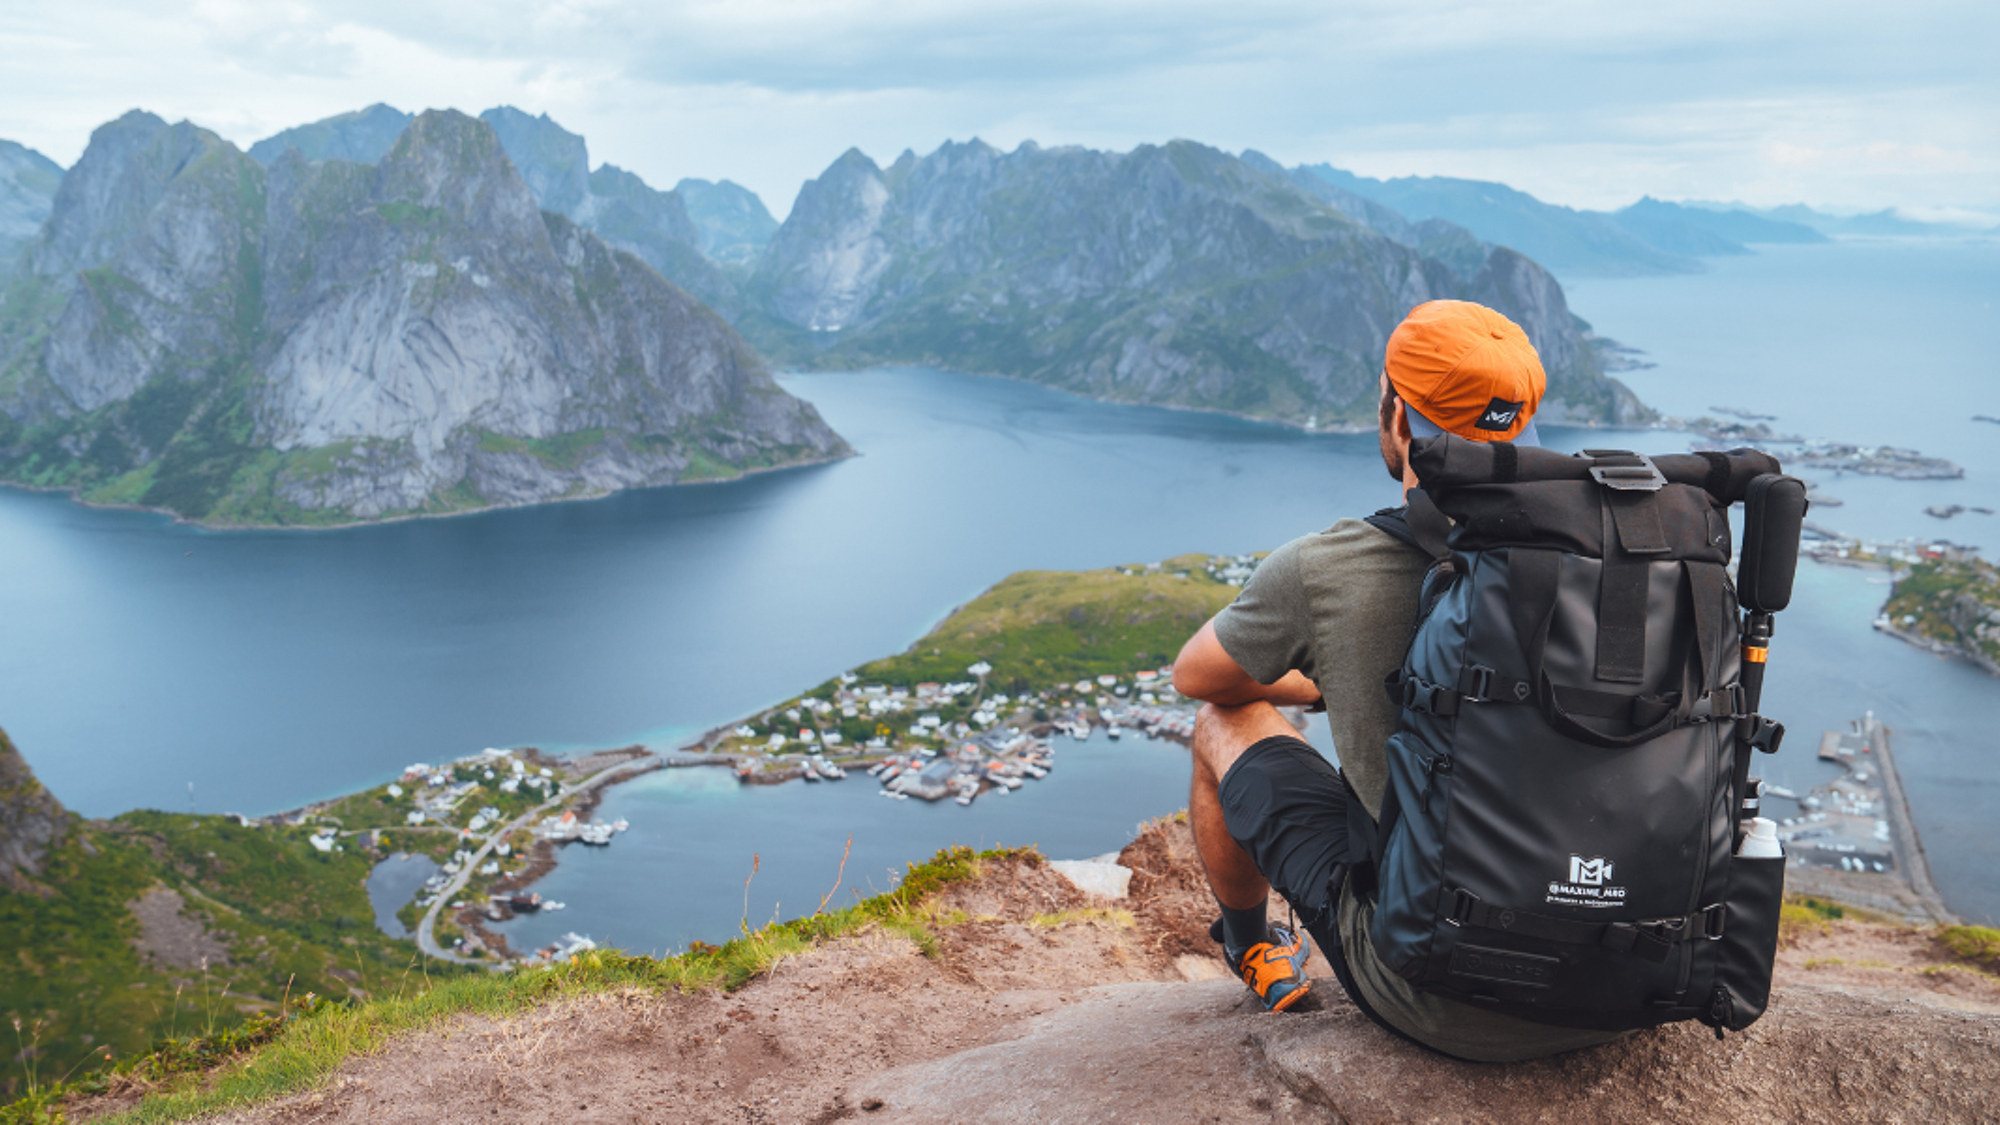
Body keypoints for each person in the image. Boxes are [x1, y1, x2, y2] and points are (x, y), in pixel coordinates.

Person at [1170, 299, 1628, 1061]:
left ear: (1396, 414)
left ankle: (1250, 944)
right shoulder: (1626, 554)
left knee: (1223, 719)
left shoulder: (1329, 567)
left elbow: (1198, 675)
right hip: (1626, 985)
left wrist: (1327, 677)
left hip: (1433, 991)